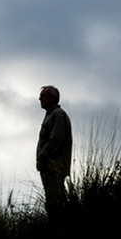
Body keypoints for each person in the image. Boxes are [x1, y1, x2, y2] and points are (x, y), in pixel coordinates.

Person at [36, 85, 72, 216]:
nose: (40, 99)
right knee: (52, 200)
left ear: (52, 98)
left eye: (43, 96)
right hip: (48, 165)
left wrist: (43, 154)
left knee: (55, 200)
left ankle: (60, 227)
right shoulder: (51, 115)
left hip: (54, 165)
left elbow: (56, 138)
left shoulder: (58, 115)